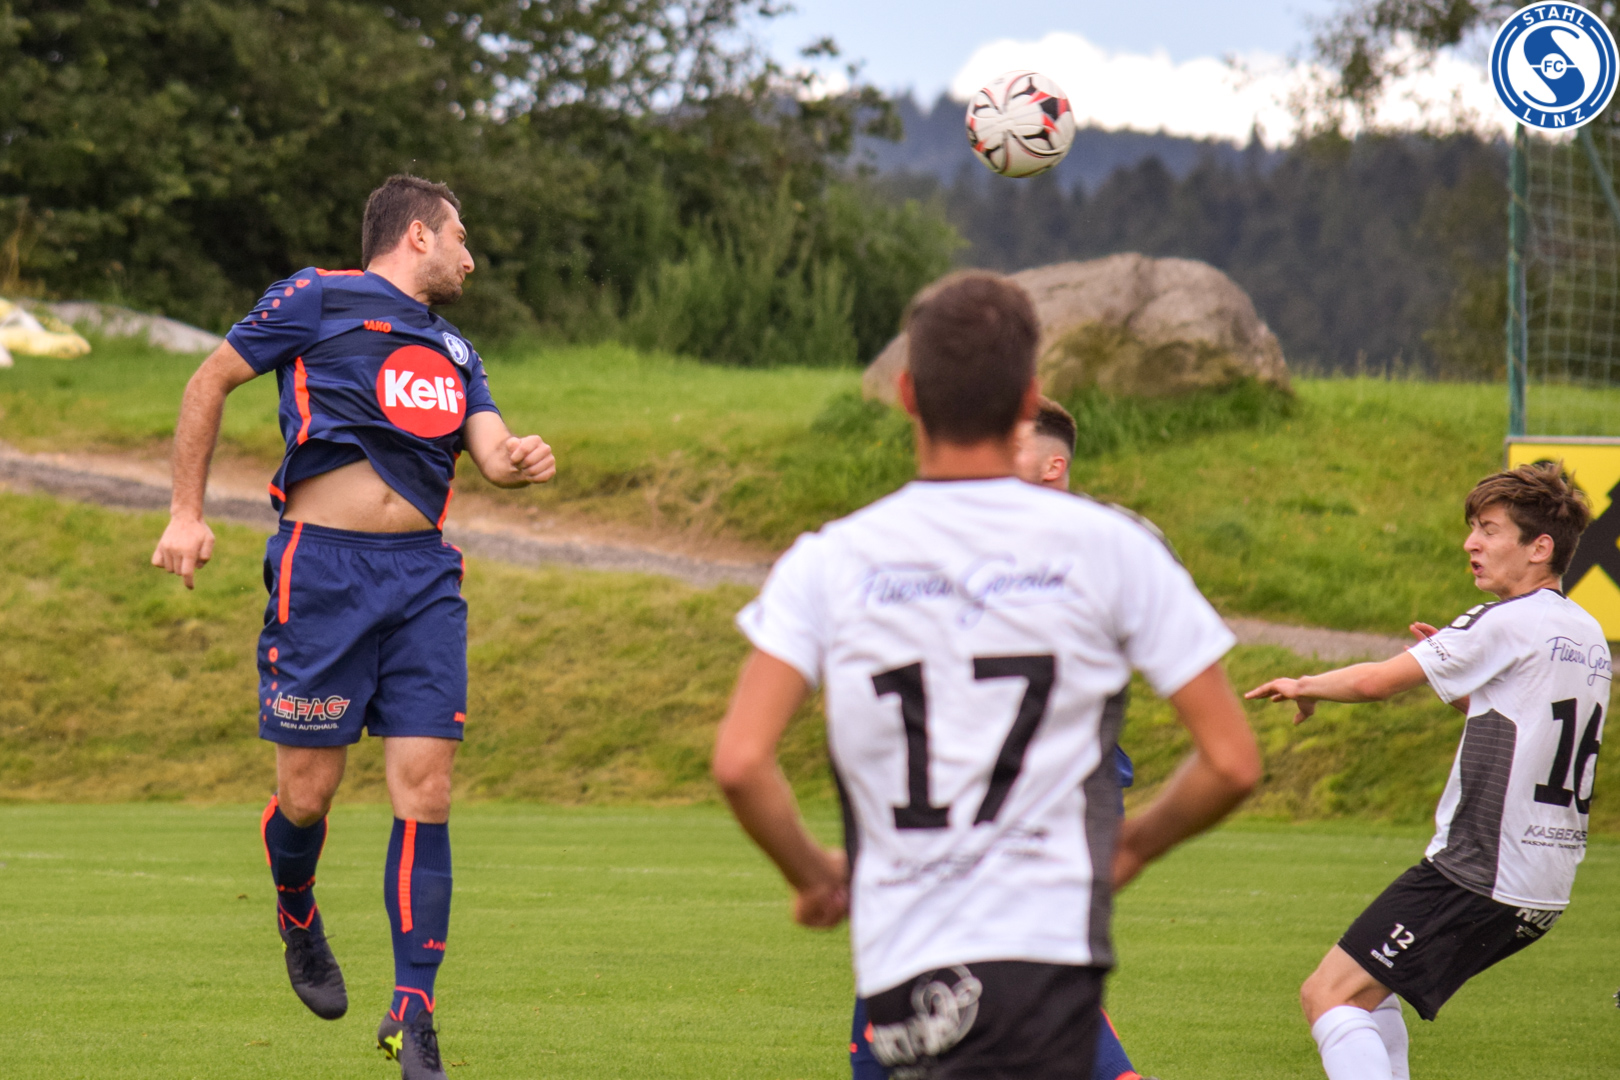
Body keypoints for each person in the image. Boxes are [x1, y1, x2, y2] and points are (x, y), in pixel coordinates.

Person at [713, 271, 1261, 1079]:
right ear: (1027, 399)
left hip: (904, 964)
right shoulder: (1114, 549)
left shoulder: (828, 560)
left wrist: (815, 877)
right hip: (1046, 953)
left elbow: (739, 762)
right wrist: (1132, 848)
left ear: (906, 394)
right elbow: (1232, 761)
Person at [151, 175, 556, 1080]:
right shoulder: (317, 297)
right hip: (323, 573)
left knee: (428, 789)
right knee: (307, 795)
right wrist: (185, 513)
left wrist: (520, 458)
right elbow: (209, 380)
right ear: (417, 235)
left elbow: (490, 453)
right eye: (461, 237)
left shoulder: (456, 349)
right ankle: (296, 906)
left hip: (424, 579)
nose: (471, 258)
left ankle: (414, 1012)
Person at [1246, 462, 1606, 1080]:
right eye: (1473, 528)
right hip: (1542, 880)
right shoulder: (1585, 632)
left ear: (1540, 548)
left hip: (1478, 869)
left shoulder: (1507, 620)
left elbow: (1376, 682)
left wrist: (1304, 684)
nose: (1471, 544)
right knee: (1368, 993)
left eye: (1489, 530)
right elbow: (1521, 718)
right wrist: (1461, 676)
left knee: (1327, 996)